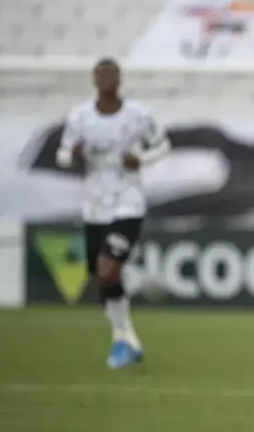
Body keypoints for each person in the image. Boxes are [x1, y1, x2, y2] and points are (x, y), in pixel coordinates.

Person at [55, 58, 171, 369]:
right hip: (95, 206)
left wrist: (142, 158)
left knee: (107, 270)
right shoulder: (80, 117)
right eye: (100, 75)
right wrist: (73, 155)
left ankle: (121, 340)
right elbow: (62, 155)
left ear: (119, 79)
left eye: (110, 74)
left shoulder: (139, 114)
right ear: (94, 80)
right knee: (103, 279)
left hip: (128, 203)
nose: (105, 80)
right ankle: (128, 330)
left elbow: (164, 145)